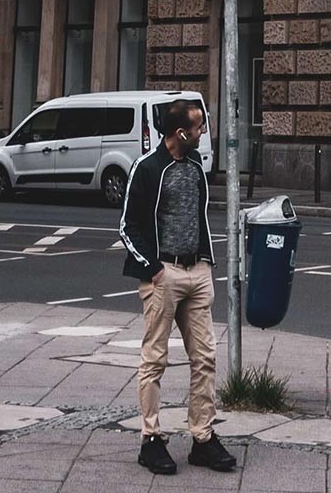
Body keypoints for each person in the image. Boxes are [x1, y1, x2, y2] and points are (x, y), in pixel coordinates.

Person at [121, 98, 236, 476]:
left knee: (205, 356)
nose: (204, 132)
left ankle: (202, 438)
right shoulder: (148, 168)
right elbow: (128, 227)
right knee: (155, 359)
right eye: (199, 126)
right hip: (163, 274)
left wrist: (205, 263)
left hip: (197, 272)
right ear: (180, 133)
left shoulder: (195, 167)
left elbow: (196, 216)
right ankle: (151, 439)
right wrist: (153, 269)